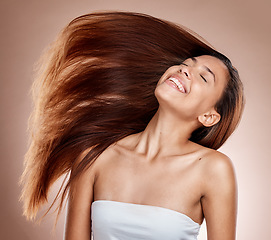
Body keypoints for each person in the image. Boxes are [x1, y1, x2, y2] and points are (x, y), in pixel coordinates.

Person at [20, 11, 244, 240]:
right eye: (185, 64)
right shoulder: (94, 156)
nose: (184, 70)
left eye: (204, 77)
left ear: (209, 117)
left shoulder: (213, 169)